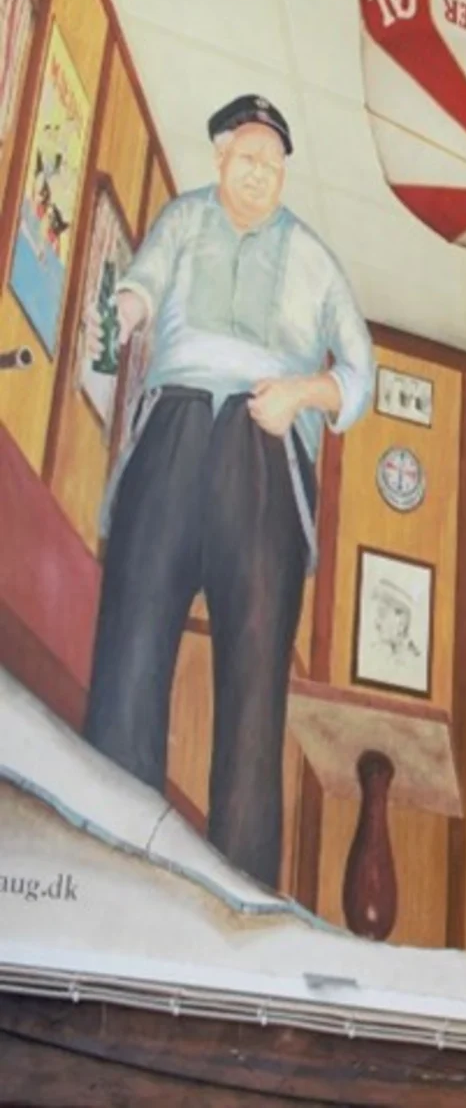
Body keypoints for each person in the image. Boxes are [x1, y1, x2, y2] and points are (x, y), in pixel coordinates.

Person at [84, 95, 374, 889]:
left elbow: (360, 372)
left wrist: (301, 393)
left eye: (273, 165)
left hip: (263, 450)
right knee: (131, 651)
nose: (259, 174)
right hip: (175, 428)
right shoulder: (183, 219)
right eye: (248, 159)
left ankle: (238, 900)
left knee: (253, 694)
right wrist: (122, 310)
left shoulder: (312, 256)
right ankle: (106, 872)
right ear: (220, 159)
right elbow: (141, 288)